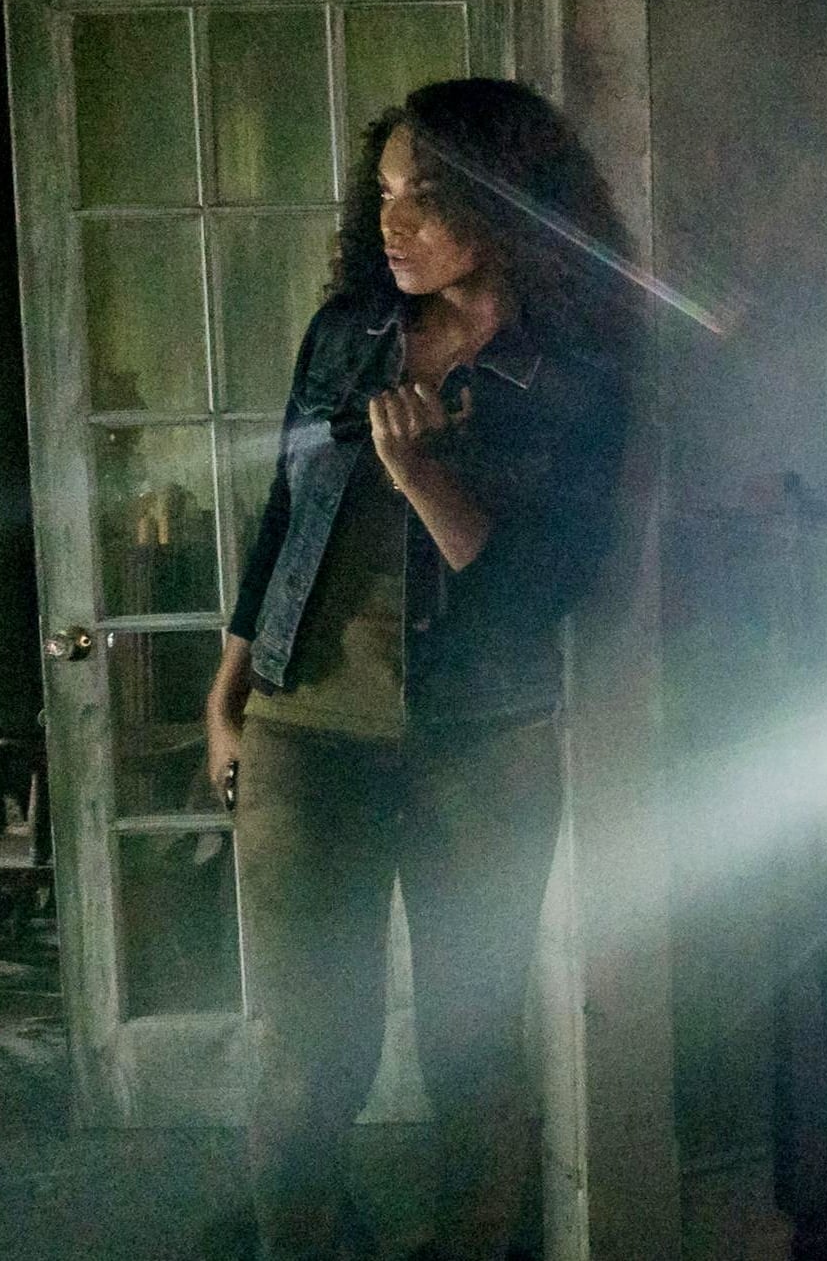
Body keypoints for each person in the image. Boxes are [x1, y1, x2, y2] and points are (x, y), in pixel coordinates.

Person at [200, 79, 636, 1261]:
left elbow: (548, 590)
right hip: (305, 729)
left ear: (510, 205)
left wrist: (424, 477)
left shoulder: (579, 369)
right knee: (304, 1052)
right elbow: (284, 513)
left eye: (427, 196)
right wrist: (229, 693)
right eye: (384, 191)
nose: (391, 221)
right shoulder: (346, 333)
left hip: (484, 738)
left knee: (473, 1046)